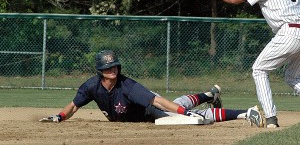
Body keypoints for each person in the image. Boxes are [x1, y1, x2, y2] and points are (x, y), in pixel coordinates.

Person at [40, 50, 263, 127]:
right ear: (100, 71)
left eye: (115, 66)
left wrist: (183, 114)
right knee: (180, 103)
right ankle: (209, 95)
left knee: (190, 116)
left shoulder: (128, 86)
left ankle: (245, 113)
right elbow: (74, 105)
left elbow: (157, 101)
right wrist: (59, 117)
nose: (113, 70)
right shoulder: (91, 86)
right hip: (142, 111)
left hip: (149, 112)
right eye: (108, 68)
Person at [206, 0, 300, 128]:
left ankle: (271, 118)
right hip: (296, 31)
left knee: (259, 70)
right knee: (292, 78)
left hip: (289, 32)